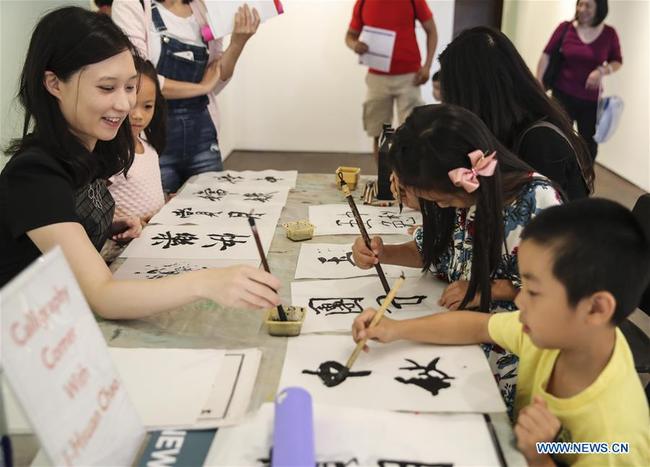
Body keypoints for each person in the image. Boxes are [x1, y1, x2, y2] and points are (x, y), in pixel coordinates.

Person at [0, 7, 281, 319]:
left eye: (130, 87)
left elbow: (65, 225)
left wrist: (106, 228)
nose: (124, 105)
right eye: (106, 88)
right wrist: (205, 283)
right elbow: (103, 295)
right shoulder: (35, 174)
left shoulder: (93, 150)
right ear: (54, 84)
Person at [352, 198, 650, 467]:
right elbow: (479, 326)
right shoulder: (559, 335)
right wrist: (394, 329)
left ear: (596, 309)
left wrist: (539, 458)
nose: (518, 300)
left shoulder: (615, 440)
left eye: (532, 291)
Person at [352, 104, 563, 409]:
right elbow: (436, 253)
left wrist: (487, 289)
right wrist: (383, 253)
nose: (436, 206)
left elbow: (558, 298)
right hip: (466, 332)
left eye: (436, 197)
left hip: (517, 353)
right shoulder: (461, 200)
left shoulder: (538, 203)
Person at [112, 0, 260, 193]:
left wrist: (238, 43)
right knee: (157, 215)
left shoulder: (203, 8)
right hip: (151, 136)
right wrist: (201, 88)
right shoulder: (133, 5)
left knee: (213, 208)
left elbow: (216, 78)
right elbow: (137, 77)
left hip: (202, 134)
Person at [439, 27, 593, 200]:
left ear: (473, 95)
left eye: (450, 98)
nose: (448, 107)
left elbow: (530, 219)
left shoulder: (540, 142)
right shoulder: (504, 132)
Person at [345, 0, 438, 161]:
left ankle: (407, 180)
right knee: (380, 133)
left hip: (409, 77)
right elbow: (350, 36)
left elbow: (432, 31)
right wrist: (355, 45)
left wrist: (427, 66)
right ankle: (383, 178)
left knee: (412, 132)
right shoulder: (363, 2)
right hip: (377, 77)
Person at [537, 0, 622, 161]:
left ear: (599, 8)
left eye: (588, 5)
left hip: (590, 101)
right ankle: (554, 178)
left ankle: (583, 180)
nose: (582, 9)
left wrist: (602, 70)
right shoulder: (565, 28)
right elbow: (546, 55)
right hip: (562, 95)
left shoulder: (609, 34)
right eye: (580, 4)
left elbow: (617, 61)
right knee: (557, 138)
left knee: (588, 146)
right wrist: (539, 82)